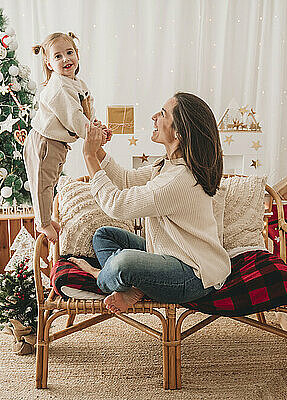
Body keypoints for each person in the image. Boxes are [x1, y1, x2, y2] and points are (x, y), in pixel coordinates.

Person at [69, 92, 231, 314]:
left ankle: (103, 276)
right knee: (104, 235)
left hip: (194, 275)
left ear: (179, 133)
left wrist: (88, 157)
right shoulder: (169, 166)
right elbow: (125, 180)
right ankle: (133, 286)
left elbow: (117, 204)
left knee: (122, 263)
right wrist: (97, 149)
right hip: (168, 253)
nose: (154, 116)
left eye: (163, 114)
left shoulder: (177, 180)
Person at [24, 32, 110, 242]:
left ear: (77, 54)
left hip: (57, 142)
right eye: (58, 56)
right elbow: (74, 117)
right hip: (45, 141)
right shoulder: (59, 86)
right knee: (42, 183)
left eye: (69, 53)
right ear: (49, 63)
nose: (66, 59)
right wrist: (93, 135)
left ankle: (44, 219)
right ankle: (43, 223)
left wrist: (97, 127)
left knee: (50, 181)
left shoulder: (77, 83)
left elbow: (86, 110)